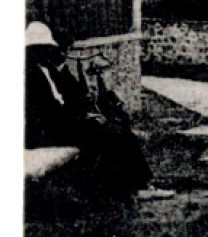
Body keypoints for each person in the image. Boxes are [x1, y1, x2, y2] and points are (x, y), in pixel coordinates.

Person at [25, 21, 158, 199]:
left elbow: (71, 100)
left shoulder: (49, 69)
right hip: (43, 133)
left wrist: (86, 115)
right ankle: (128, 187)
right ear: (31, 49)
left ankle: (139, 184)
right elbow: (47, 113)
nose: (48, 52)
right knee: (108, 133)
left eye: (48, 48)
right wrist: (83, 119)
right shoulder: (29, 75)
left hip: (60, 125)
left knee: (116, 129)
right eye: (41, 48)